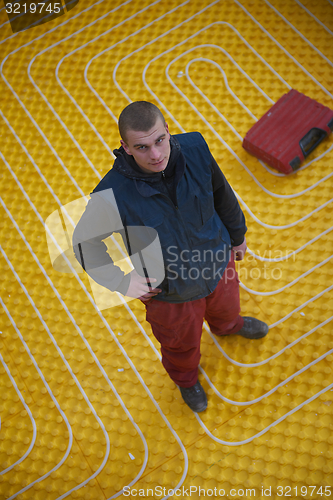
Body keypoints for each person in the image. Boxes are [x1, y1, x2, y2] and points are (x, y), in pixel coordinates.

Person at [73, 101, 268, 413]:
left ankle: (229, 327)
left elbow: (220, 190)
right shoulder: (111, 194)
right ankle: (186, 379)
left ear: (167, 131)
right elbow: (84, 243)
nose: (155, 155)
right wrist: (122, 282)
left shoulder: (196, 147)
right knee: (180, 345)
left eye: (159, 140)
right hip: (170, 295)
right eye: (142, 147)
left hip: (219, 264)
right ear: (125, 147)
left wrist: (238, 234)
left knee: (228, 308)